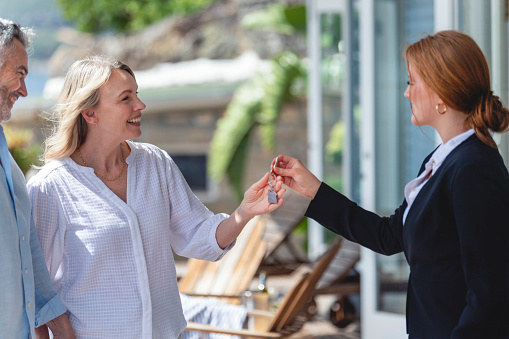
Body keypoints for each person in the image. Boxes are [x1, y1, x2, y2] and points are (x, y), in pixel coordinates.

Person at [26, 54, 285, 338]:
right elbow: (37, 289)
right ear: (90, 113)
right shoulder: (51, 187)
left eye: (137, 94)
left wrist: (244, 212)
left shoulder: (155, 163)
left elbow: (198, 235)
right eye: (126, 98)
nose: (140, 105)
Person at [274, 30, 509, 338]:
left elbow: (490, 292)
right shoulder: (441, 161)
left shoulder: (473, 169)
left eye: (412, 82)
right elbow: (387, 236)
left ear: (441, 93)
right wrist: (313, 190)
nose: (406, 93)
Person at [0, 18, 75, 339]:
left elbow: (27, 252)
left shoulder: (9, 165)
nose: (24, 90)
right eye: (19, 73)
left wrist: (59, 326)